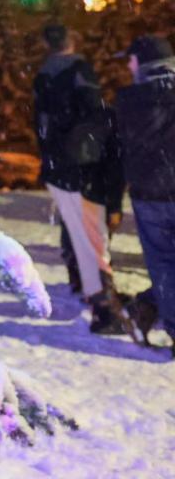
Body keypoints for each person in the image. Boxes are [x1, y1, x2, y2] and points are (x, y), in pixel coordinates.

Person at [33, 22, 126, 330]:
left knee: (82, 234)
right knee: (91, 238)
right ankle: (102, 305)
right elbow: (92, 114)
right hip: (82, 169)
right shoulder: (79, 71)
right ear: (71, 41)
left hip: (58, 168)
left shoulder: (44, 76)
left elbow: (44, 124)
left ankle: (93, 291)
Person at [112, 34, 175, 353]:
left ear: (143, 62)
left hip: (149, 194)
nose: (128, 64)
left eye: (131, 59)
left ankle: (149, 310)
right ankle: (148, 308)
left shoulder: (128, 100)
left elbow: (119, 147)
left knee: (163, 262)